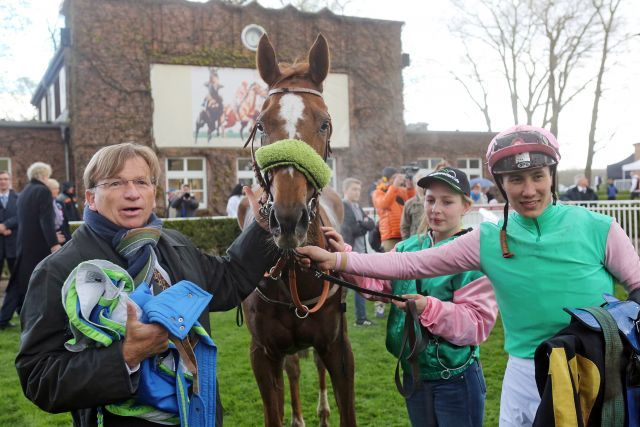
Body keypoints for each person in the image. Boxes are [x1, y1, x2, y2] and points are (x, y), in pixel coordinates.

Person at [298, 125, 640, 427]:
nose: (529, 189)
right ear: (502, 185)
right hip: (525, 372)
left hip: (596, 370)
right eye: (516, 179)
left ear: (552, 175)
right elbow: (407, 265)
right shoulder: (487, 239)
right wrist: (338, 259)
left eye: (538, 176)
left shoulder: (600, 228)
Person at [16, 143, 277, 426]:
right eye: (115, 183)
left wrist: (264, 225)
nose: (132, 192)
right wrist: (126, 356)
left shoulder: (175, 245)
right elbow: (38, 378)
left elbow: (229, 280)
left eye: (142, 181)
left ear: (153, 193)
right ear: (91, 198)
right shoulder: (57, 271)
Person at [338, 167, 497, 426]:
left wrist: (427, 308)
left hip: (455, 381)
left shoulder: (474, 257)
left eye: (447, 202)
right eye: (431, 199)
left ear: (466, 206)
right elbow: (375, 283)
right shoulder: (408, 247)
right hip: (415, 375)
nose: (436, 209)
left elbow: (476, 325)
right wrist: (342, 256)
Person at [0, 162, 61, 330]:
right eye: (48, 176)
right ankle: (36, 320)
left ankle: (6, 319)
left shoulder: (25, 191)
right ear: (42, 176)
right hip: (37, 248)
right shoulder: (42, 191)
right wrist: (54, 244)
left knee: (18, 284)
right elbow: (45, 220)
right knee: (34, 284)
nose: (49, 180)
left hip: (23, 245)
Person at [340, 177, 375, 326]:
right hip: (348, 252)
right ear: (346, 190)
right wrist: (363, 224)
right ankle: (342, 319)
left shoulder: (357, 207)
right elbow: (350, 229)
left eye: (359, 189)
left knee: (359, 286)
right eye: (354, 189)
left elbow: (372, 224)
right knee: (342, 288)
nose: (357, 192)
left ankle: (360, 318)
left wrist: (363, 224)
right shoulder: (343, 206)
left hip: (361, 252)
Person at [0, 170, 18, 329]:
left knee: (17, 280)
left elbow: (20, 216)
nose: (3, 181)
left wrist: (5, 225)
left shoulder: (17, 198)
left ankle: (19, 312)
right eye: (1, 179)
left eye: (6, 179)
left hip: (13, 246)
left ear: (10, 180)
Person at [400, 169, 429, 240]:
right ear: (415, 185)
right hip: (415, 242)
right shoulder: (409, 204)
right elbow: (404, 226)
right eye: (419, 183)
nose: (421, 186)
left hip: (431, 242)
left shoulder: (434, 202)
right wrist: (407, 242)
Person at [47, 178, 71, 244]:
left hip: (64, 237)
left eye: (58, 188)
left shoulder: (60, 203)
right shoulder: (45, 205)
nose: (58, 190)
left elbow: (66, 221)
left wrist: (68, 238)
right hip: (54, 239)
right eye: (55, 189)